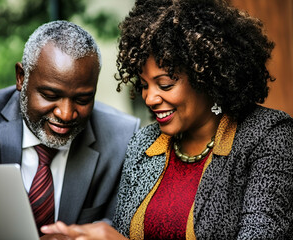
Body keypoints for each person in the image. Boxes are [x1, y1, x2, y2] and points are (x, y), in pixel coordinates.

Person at [41, 0, 293, 239]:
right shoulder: (144, 143)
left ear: (205, 76)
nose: (149, 98)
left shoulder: (269, 136)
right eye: (143, 85)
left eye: (165, 84)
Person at [0, 20, 140, 240]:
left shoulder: (123, 139)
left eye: (82, 99)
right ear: (21, 77)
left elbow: (122, 226)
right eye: (51, 96)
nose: (66, 113)